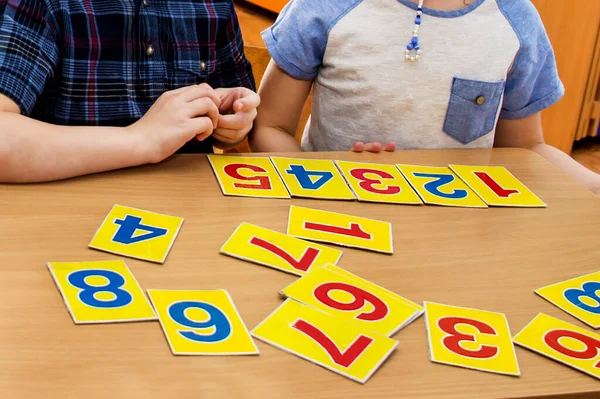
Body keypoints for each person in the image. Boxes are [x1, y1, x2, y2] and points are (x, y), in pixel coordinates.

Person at [251, 0, 600, 195]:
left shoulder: (515, 18)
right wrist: (330, 182)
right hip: (335, 215)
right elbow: (269, 127)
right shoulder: (324, 7)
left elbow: (526, 151)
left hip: (462, 225)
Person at [0, 0, 259, 183]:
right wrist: (140, 140)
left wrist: (230, 121)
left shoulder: (215, 6)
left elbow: (235, 120)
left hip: (186, 210)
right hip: (70, 210)